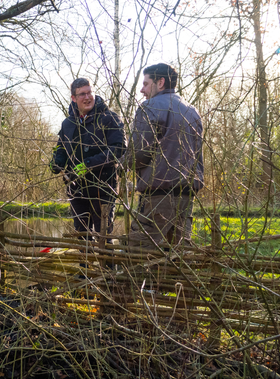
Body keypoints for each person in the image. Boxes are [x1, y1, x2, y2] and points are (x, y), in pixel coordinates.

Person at [120, 63, 204, 249]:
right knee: (178, 251)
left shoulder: (149, 107)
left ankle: (136, 279)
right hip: (186, 195)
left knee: (139, 250)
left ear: (160, 82)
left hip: (158, 195)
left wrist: (121, 164)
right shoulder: (192, 111)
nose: (142, 89)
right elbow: (198, 157)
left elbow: (139, 153)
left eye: (146, 83)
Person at [50, 78, 125, 239]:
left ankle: (106, 264)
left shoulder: (109, 118)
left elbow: (118, 149)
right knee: (82, 235)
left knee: (103, 236)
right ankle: (85, 264)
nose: (87, 97)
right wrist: (56, 161)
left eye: (89, 92)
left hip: (103, 187)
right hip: (77, 189)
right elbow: (61, 146)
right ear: (74, 98)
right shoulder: (68, 123)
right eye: (82, 94)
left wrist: (88, 165)